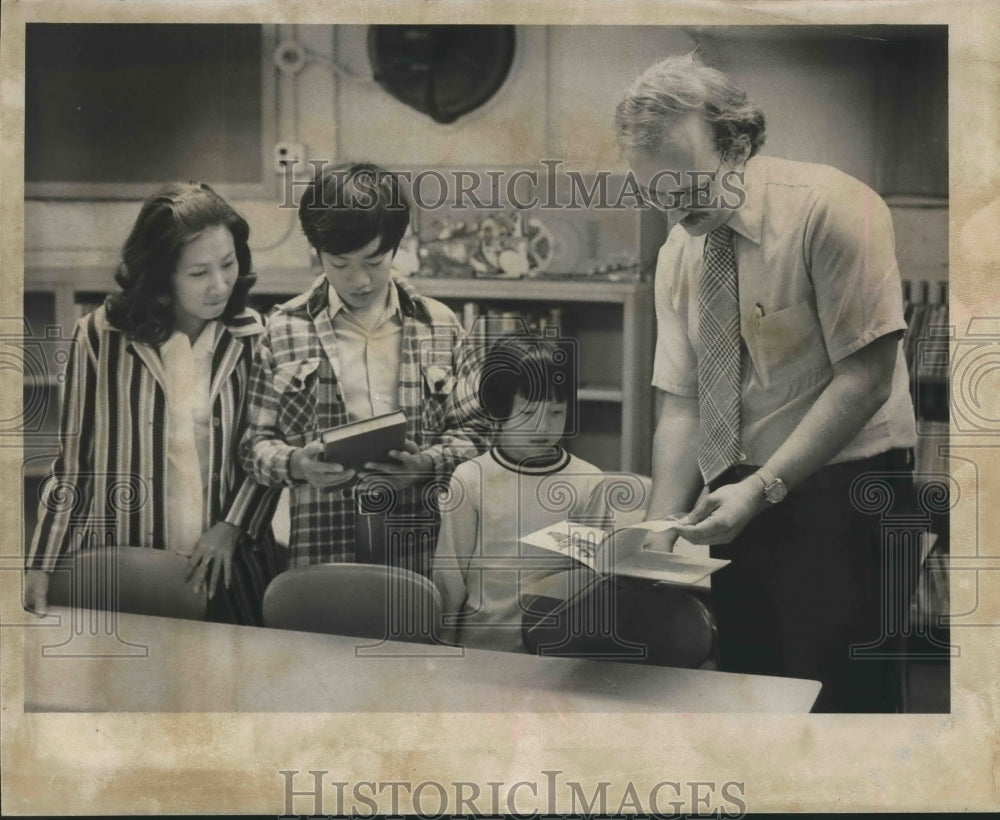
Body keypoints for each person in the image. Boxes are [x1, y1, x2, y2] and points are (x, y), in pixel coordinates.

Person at [615, 54, 919, 711]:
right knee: (752, 695)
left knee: (844, 705)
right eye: (654, 192)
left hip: (847, 489)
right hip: (739, 495)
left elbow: (866, 377)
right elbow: (683, 400)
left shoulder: (833, 209)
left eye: (685, 184)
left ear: (739, 144)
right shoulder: (680, 251)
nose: (672, 208)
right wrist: (661, 523)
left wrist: (765, 486)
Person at [24, 181, 284, 625]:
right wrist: (40, 563)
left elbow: (267, 449)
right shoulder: (99, 336)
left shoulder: (255, 337)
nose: (220, 285)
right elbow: (74, 463)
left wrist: (231, 526)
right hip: (127, 559)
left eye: (228, 264)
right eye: (199, 273)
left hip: (228, 566)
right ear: (162, 275)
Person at [240, 162, 486, 573]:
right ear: (316, 252)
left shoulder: (440, 325)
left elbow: (479, 432)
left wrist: (426, 465)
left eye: (375, 262)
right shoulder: (284, 329)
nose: (360, 280)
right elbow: (254, 444)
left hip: (421, 540)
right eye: (340, 264)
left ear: (395, 247)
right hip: (322, 542)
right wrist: (298, 464)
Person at [433, 335, 625, 653]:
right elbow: (449, 577)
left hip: (559, 648)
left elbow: (594, 578)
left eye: (555, 412)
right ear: (497, 409)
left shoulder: (588, 480)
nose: (542, 428)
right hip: (481, 647)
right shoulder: (471, 478)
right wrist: (443, 650)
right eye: (527, 413)